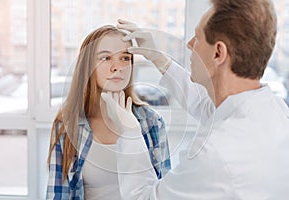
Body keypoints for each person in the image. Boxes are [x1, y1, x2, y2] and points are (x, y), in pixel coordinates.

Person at [101, 0, 289, 199]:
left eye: (197, 37)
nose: (190, 44)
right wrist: (159, 58)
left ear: (218, 53)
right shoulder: (272, 111)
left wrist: (130, 133)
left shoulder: (216, 154)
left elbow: (143, 197)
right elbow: (203, 105)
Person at [46, 25, 171, 200]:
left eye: (125, 58)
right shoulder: (67, 124)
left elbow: (165, 191)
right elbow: (57, 194)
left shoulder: (152, 122)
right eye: (105, 57)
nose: (117, 67)